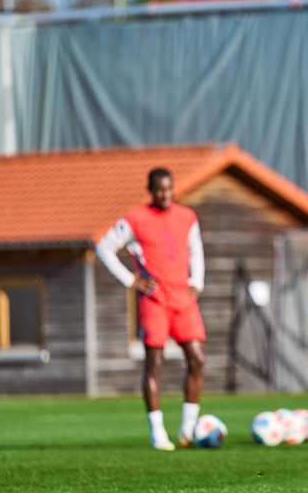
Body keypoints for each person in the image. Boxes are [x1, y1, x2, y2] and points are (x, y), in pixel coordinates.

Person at [96, 167, 206, 452]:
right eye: (159, 190)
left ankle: (187, 429)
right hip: (155, 300)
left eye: (169, 189)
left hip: (184, 300)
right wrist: (131, 280)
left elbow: (196, 249)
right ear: (150, 191)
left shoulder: (187, 216)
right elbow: (104, 248)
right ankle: (158, 433)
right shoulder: (135, 219)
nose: (165, 194)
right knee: (154, 364)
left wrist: (197, 281)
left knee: (197, 359)